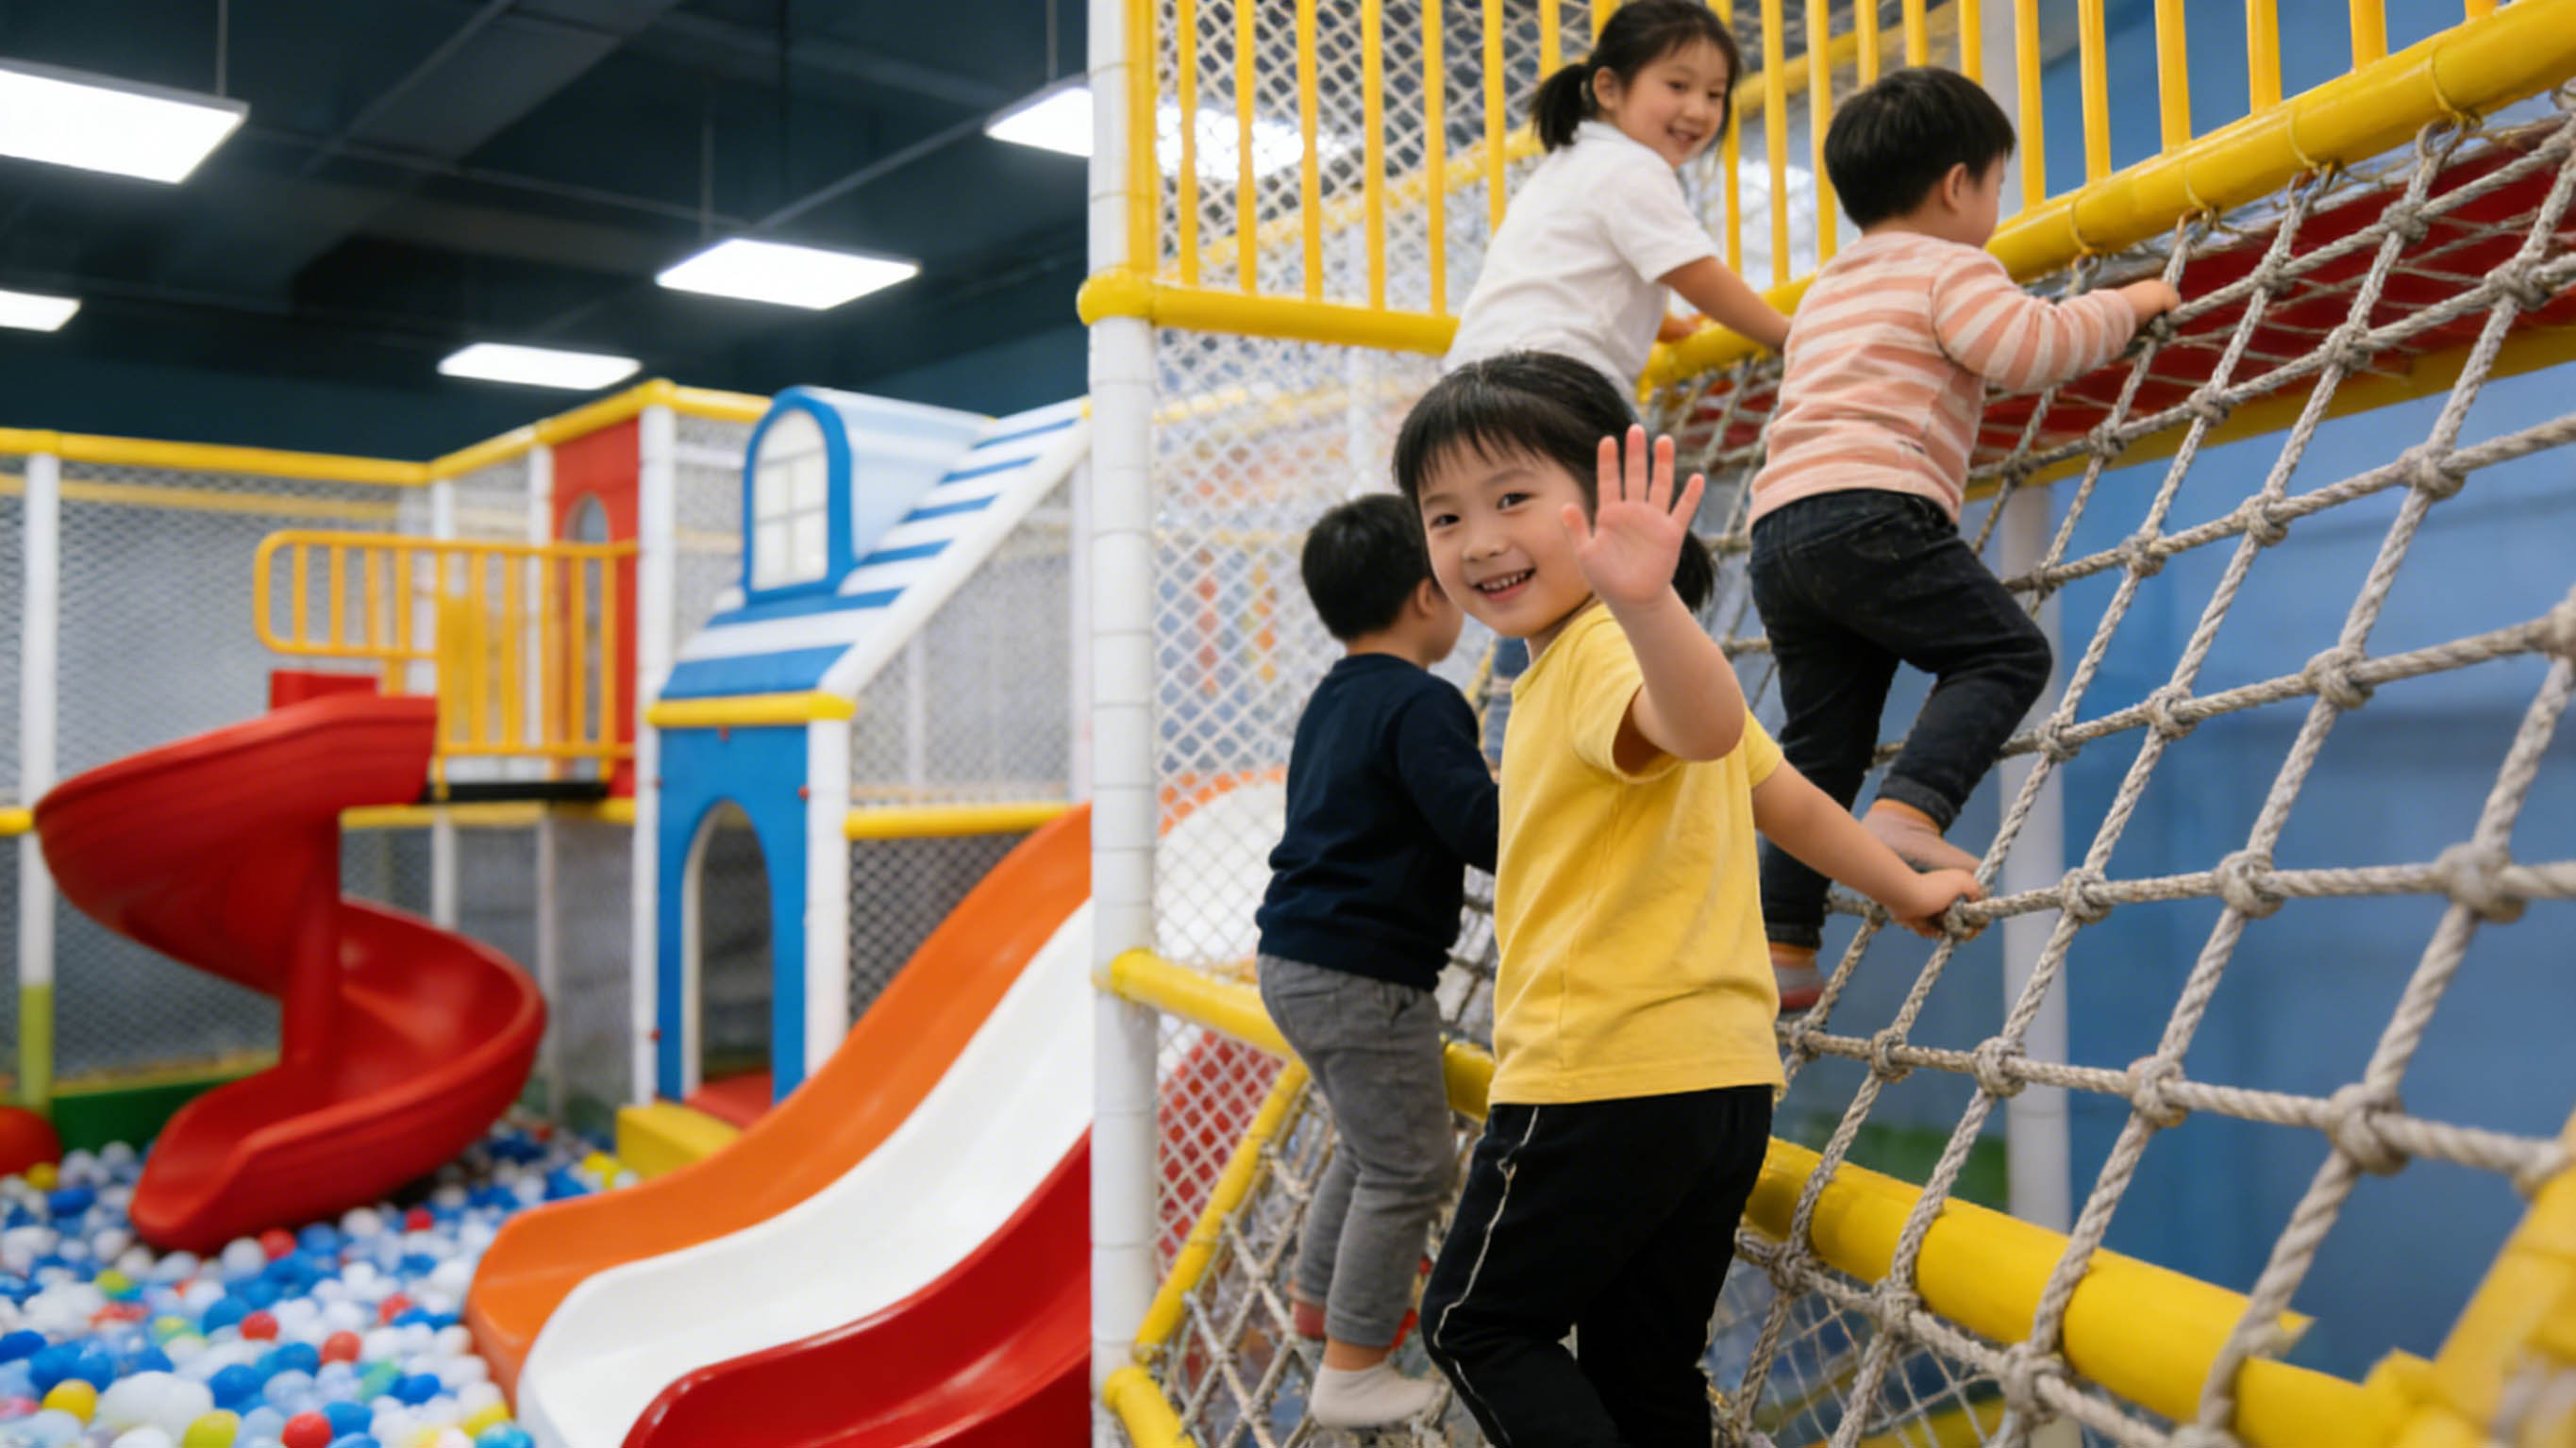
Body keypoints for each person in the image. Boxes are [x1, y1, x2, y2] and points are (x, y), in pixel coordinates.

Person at [1394, 350, 1979, 1446]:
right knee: (1641, 1358)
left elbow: (1707, 730)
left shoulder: (1597, 656)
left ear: (1603, 502)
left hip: (1600, 1070)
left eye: (1513, 497)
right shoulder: (1617, 656)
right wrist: (1904, 885)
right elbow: (1789, 800)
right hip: (1721, 1085)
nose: (1478, 540)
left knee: (1478, 1323)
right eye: (1443, 516)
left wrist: (1646, 598)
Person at [1746, 66, 2183, 1009]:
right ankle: (1908, 815)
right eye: (1995, 185)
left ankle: (1783, 947)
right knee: (2002, 649)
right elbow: (2031, 349)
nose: (1994, 207)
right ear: (1957, 186)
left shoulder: (1826, 289)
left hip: (1781, 531)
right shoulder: (1953, 266)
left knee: (1818, 746)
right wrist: (2132, 305)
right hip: (1872, 507)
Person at [1253, 492, 1499, 1429]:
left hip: (1297, 959)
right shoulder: (1424, 699)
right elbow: (1478, 826)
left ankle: (1324, 1306)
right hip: (1363, 974)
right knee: (1412, 1165)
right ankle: (1353, 1364)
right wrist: (1555, 809)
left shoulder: (1336, 694)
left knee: (1369, 1147)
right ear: (1424, 595)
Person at [1443, 0, 1792, 399]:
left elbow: (1570, 273)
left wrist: (1662, 324)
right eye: (1677, 86)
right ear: (1608, 88)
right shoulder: (1631, 166)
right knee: (1629, 461)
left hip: (1465, 388)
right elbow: (1695, 273)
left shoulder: (1572, 163)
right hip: (1553, 381)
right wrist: (1784, 332)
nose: (1698, 110)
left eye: (1715, 94)